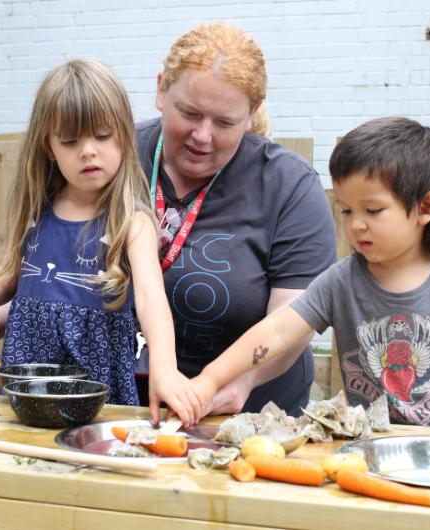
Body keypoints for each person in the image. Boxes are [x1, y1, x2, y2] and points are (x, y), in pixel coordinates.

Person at [192, 116, 430, 428]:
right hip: (376, 448)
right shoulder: (340, 282)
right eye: (347, 210)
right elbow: (277, 331)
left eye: (373, 211)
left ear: (425, 208)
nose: (356, 224)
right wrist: (210, 378)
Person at [0, 59, 201, 427]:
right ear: (49, 146)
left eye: (102, 136)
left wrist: (164, 370)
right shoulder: (37, 212)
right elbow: (12, 275)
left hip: (98, 409)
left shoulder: (131, 222)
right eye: (70, 141)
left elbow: (152, 299)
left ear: (123, 134)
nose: (88, 151)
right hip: (26, 401)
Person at [133, 21, 336, 416]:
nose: (202, 136)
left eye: (225, 123)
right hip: (124, 408)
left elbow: (293, 321)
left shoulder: (289, 186)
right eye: (189, 113)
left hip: (248, 414)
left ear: (252, 114)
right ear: (160, 90)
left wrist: (242, 381)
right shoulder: (115, 157)